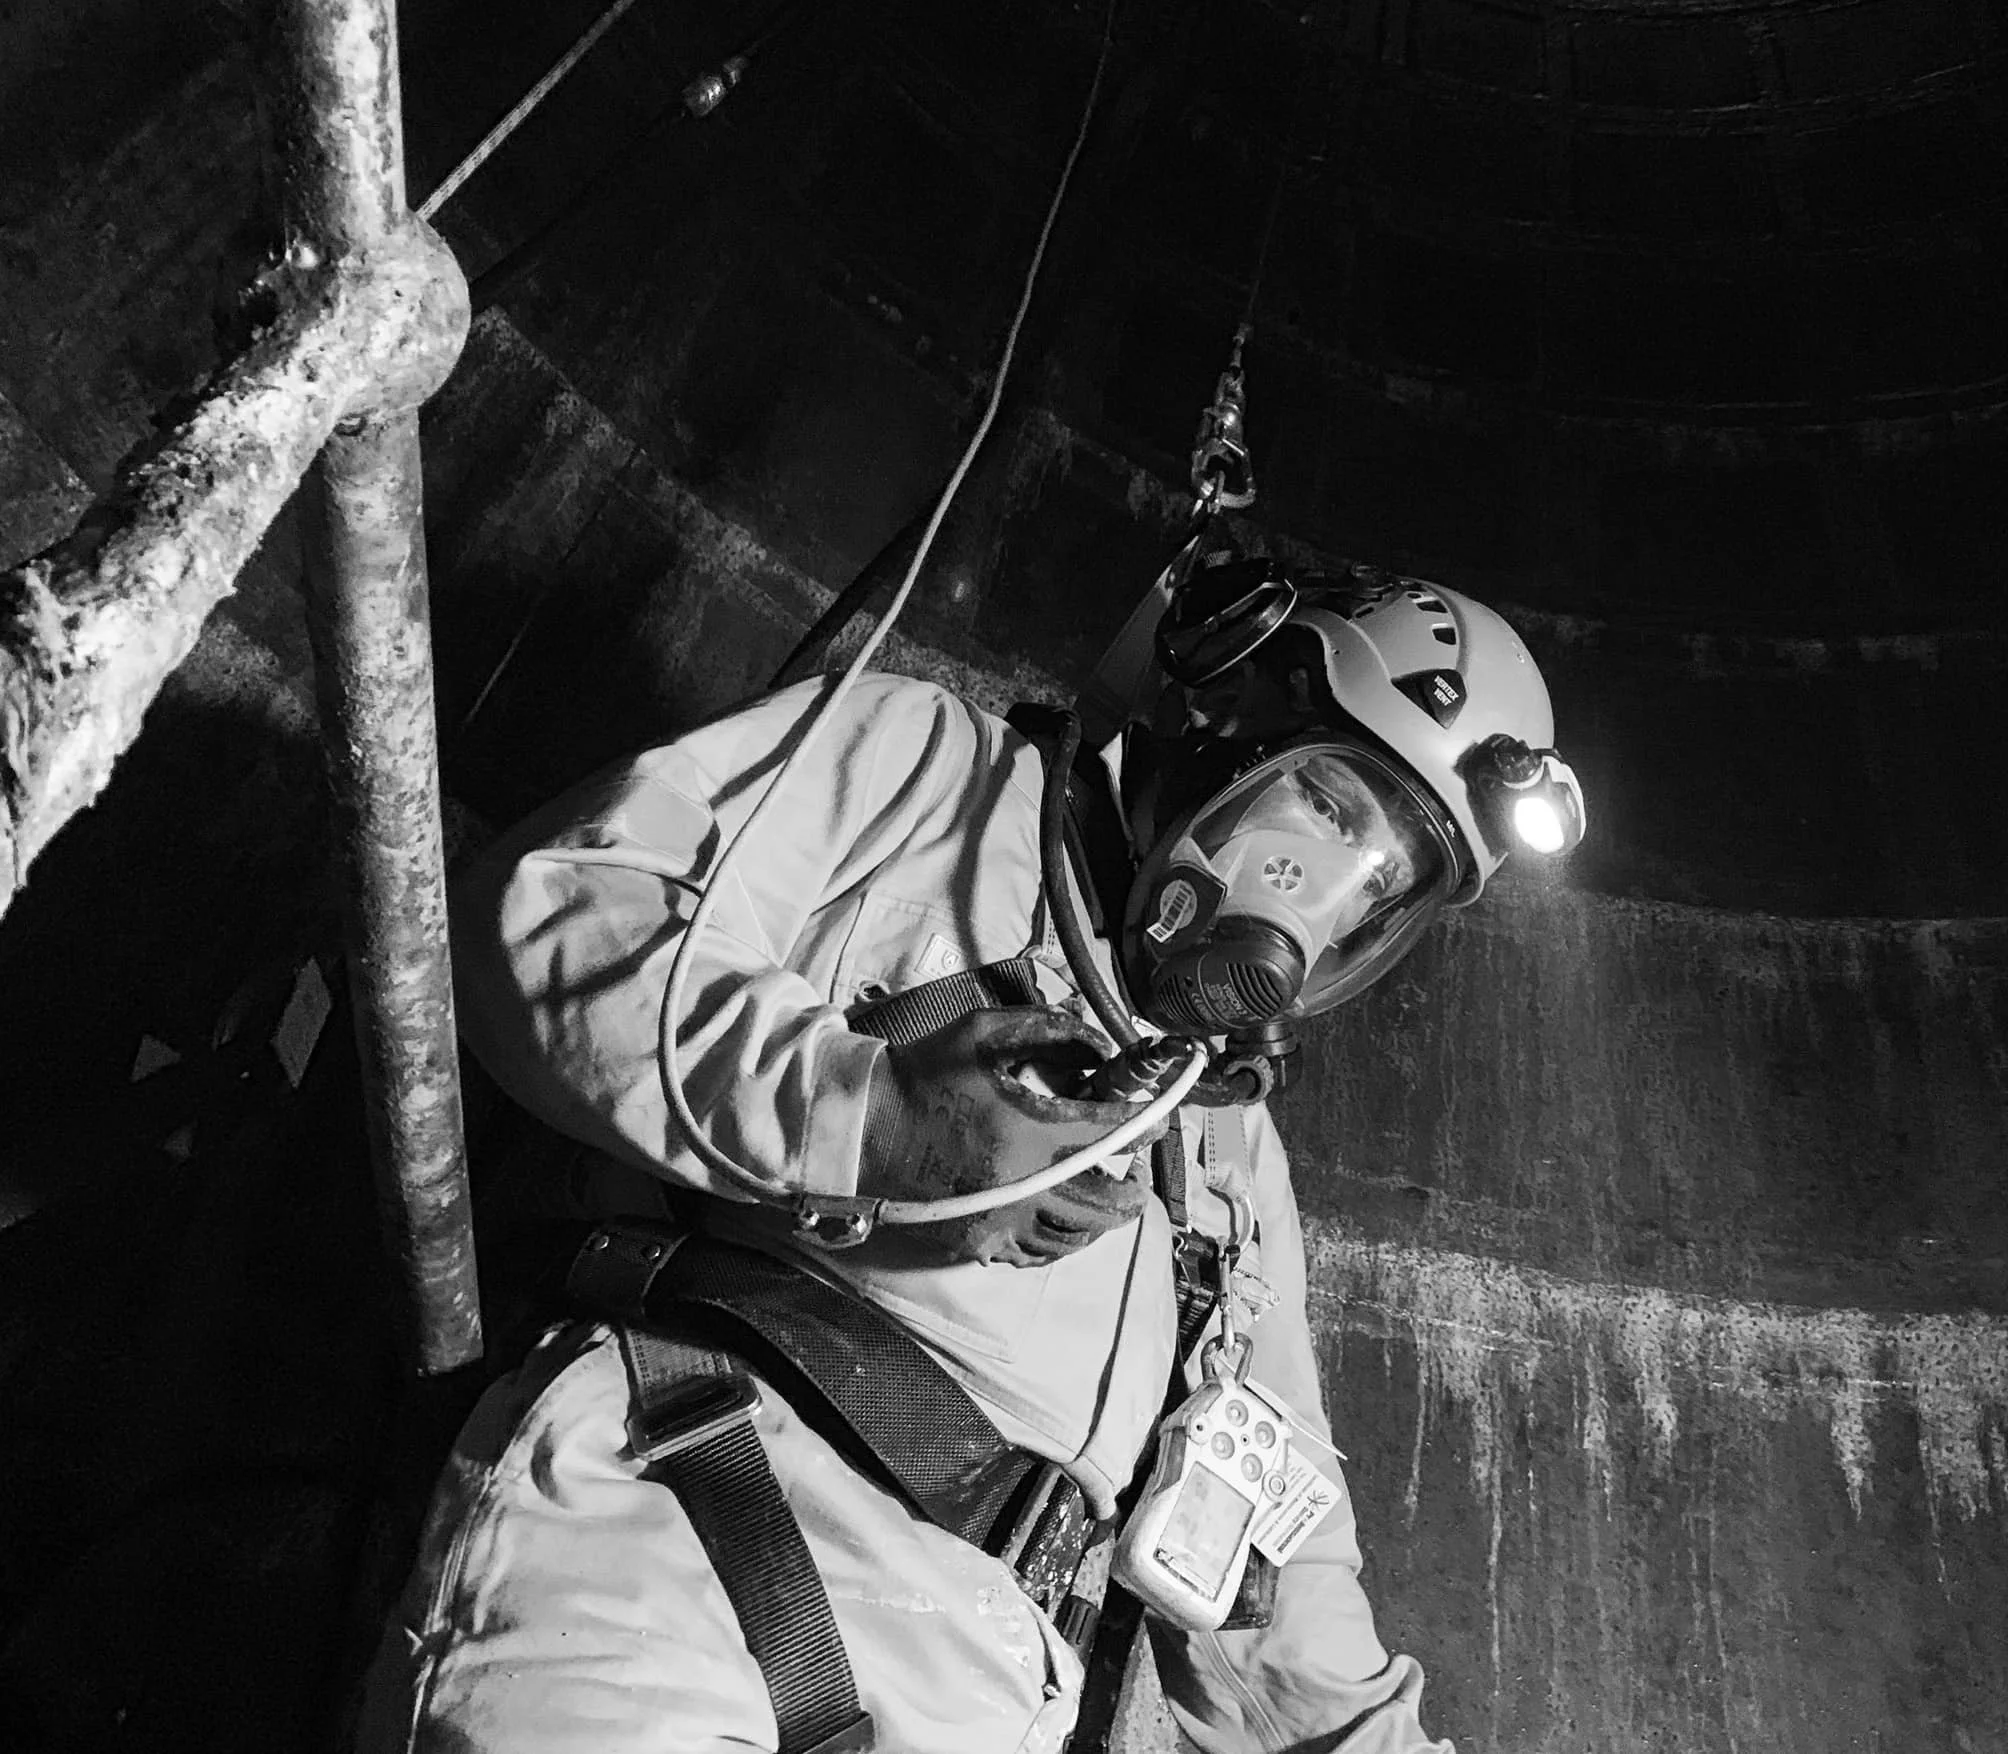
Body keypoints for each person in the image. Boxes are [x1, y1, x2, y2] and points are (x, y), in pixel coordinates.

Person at [357, 552, 1585, 1754]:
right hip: (681, 1538)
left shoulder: (1226, 1151)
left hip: (995, 1693)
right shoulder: (928, 774)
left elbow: (1281, 1570)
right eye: (1326, 804)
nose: (1322, 894)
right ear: (1229, 702)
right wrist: (869, 1115)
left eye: (1381, 881)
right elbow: (555, 914)